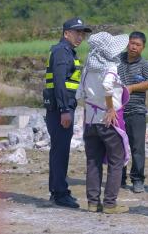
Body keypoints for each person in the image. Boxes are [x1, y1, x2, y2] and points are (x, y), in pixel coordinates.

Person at [77, 32, 131, 214]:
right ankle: (110, 204)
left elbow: (79, 95)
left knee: (93, 162)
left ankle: (93, 203)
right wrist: (109, 108)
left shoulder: (87, 68)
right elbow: (108, 86)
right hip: (109, 121)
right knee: (116, 162)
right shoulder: (110, 67)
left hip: (90, 122)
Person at [43, 17, 92, 208]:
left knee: (58, 150)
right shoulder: (63, 52)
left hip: (60, 108)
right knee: (60, 152)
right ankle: (60, 193)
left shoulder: (65, 51)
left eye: (83, 33)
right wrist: (65, 109)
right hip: (60, 109)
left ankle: (57, 191)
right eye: (77, 32)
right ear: (66, 33)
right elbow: (60, 83)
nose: (80, 36)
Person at [118, 31, 148, 193]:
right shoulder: (117, 60)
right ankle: (118, 178)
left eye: (138, 45)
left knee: (137, 147)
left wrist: (132, 88)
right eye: (131, 43)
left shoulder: (145, 65)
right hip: (117, 111)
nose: (134, 47)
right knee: (118, 146)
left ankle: (137, 180)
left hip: (136, 111)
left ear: (143, 47)